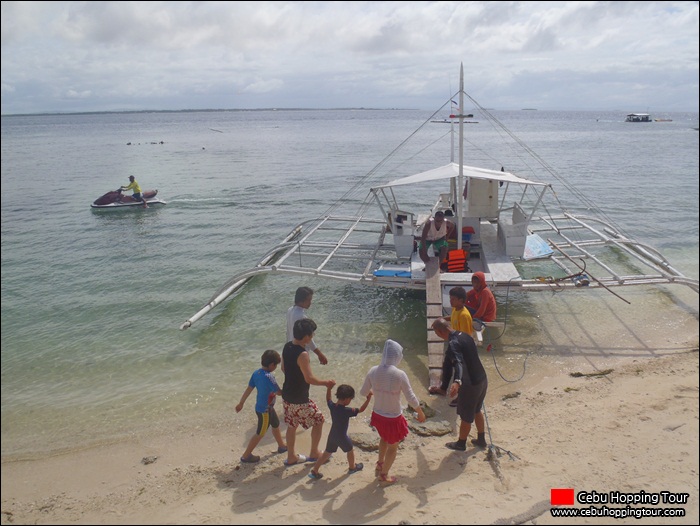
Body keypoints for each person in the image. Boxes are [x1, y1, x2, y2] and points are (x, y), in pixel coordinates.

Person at [360, 339, 426, 485]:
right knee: (393, 447)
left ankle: (380, 463)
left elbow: (363, 391)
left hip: (377, 415)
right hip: (393, 418)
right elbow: (411, 397)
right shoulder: (399, 374)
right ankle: (384, 476)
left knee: (383, 438)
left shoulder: (373, 370)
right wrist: (420, 412)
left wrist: (373, 392)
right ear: (397, 356)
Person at [281, 318, 335, 466]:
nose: (313, 337)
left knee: (292, 426)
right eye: (312, 335)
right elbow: (309, 378)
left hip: (287, 395)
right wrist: (326, 383)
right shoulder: (303, 354)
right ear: (306, 336)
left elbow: (283, 368)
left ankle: (291, 456)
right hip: (299, 398)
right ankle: (314, 453)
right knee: (319, 420)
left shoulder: (286, 346)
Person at [431, 318, 488, 451]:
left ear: (440, 332)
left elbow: (458, 363)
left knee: (465, 416)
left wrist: (457, 381)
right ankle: (481, 439)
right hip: (482, 378)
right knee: (476, 410)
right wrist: (443, 387)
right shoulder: (465, 336)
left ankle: (461, 444)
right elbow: (449, 365)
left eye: (436, 333)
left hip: (471, 384)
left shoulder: (453, 343)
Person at [308, 384, 372, 480]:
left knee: (327, 453)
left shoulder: (332, 406)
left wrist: (329, 388)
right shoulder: (347, 410)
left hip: (332, 435)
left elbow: (328, 399)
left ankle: (315, 470)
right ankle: (352, 467)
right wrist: (368, 399)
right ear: (346, 399)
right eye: (350, 399)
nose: (350, 401)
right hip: (341, 436)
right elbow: (361, 410)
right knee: (350, 450)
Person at [235, 350, 288, 463]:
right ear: (272, 365)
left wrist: (241, 403)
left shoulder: (256, 373)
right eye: (276, 365)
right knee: (260, 433)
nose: (275, 367)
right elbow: (278, 392)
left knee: (275, 424)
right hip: (264, 411)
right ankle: (246, 455)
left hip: (265, 408)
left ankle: (282, 446)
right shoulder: (269, 377)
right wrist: (290, 391)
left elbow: (249, 389)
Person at [429, 287, 474, 400]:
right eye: (450, 298)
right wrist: (441, 319)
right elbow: (452, 317)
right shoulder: (455, 309)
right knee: (447, 365)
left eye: (453, 299)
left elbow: (465, 335)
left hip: (460, 346)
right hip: (453, 342)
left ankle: (459, 396)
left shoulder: (464, 315)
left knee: (459, 370)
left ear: (461, 300)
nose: (450, 301)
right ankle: (444, 389)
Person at [286, 287, 328, 365]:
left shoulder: (290, 310)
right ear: (302, 300)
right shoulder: (301, 317)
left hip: (290, 349)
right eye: (309, 300)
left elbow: (288, 332)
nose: (310, 303)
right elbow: (308, 339)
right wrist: (319, 354)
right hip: (300, 352)